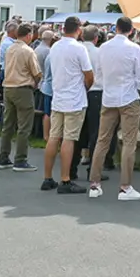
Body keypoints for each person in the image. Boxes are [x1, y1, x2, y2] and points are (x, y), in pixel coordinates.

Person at [89, 16, 140, 200]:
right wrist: (138, 89)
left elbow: (98, 74)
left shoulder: (103, 49)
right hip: (128, 97)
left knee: (102, 140)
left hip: (109, 97)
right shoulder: (134, 49)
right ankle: (125, 186)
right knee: (129, 142)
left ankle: (94, 184)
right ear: (131, 31)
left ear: (116, 28)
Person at [39, 16, 94, 194]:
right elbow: (89, 75)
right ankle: (65, 179)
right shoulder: (79, 49)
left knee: (54, 136)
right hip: (74, 99)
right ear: (78, 30)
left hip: (58, 96)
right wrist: (86, 86)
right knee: (69, 138)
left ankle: (47, 177)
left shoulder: (55, 47)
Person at [0, 24, 42, 171]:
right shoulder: (28, 51)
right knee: (24, 126)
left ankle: (3, 157)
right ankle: (20, 159)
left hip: (8, 87)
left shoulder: (10, 48)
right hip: (23, 89)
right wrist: (36, 82)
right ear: (29, 35)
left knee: (8, 125)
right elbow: (36, 72)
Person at [72, 25, 105, 181]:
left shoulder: (76, 49)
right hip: (96, 92)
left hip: (79, 92)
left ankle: (72, 168)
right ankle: (93, 169)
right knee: (95, 133)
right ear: (96, 38)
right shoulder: (99, 53)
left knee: (77, 132)